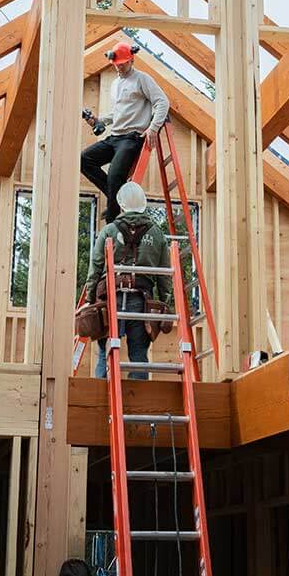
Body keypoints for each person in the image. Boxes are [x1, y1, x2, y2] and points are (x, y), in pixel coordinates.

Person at [84, 181, 171, 380]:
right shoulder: (156, 234)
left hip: (110, 298)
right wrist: (164, 302)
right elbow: (165, 275)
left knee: (105, 354)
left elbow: (96, 266)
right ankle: (136, 401)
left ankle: (100, 400)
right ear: (143, 204)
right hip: (141, 301)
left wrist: (90, 298)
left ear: (121, 205)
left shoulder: (109, 231)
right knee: (139, 355)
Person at [80, 41, 170, 223]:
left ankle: (112, 221)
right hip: (114, 137)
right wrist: (100, 120)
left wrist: (153, 128)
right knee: (84, 160)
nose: (119, 68)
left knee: (115, 175)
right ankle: (117, 198)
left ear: (131, 60)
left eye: (122, 65)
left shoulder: (142, 79)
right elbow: (119, 112)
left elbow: (162, 102)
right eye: (116, 66)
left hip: (131, 138)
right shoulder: (116, 84)